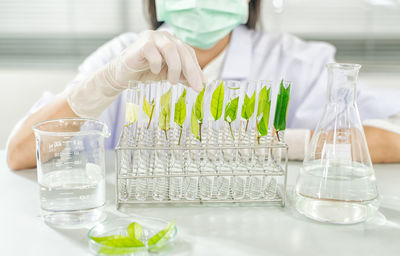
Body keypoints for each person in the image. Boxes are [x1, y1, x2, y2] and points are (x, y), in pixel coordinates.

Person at [6, 0, 400, 170]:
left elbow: (389, 139)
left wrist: (282, 142)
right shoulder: (123, 55)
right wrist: (109, 81)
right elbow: (21, 153)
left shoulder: (293, 60)